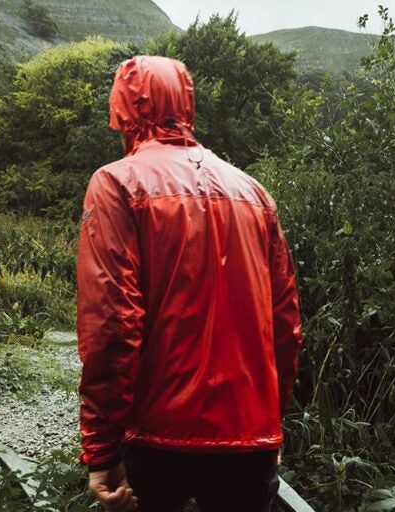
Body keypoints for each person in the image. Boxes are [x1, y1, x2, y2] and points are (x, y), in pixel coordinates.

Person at [76, 55, 303, 512]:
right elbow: (285, 325)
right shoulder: (253, 192)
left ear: (122, 109)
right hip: (250, 438)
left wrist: (100, 449)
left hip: (159, 439)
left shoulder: (116, 184)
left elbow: (113, 325)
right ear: (187, 104)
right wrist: (271, 422)